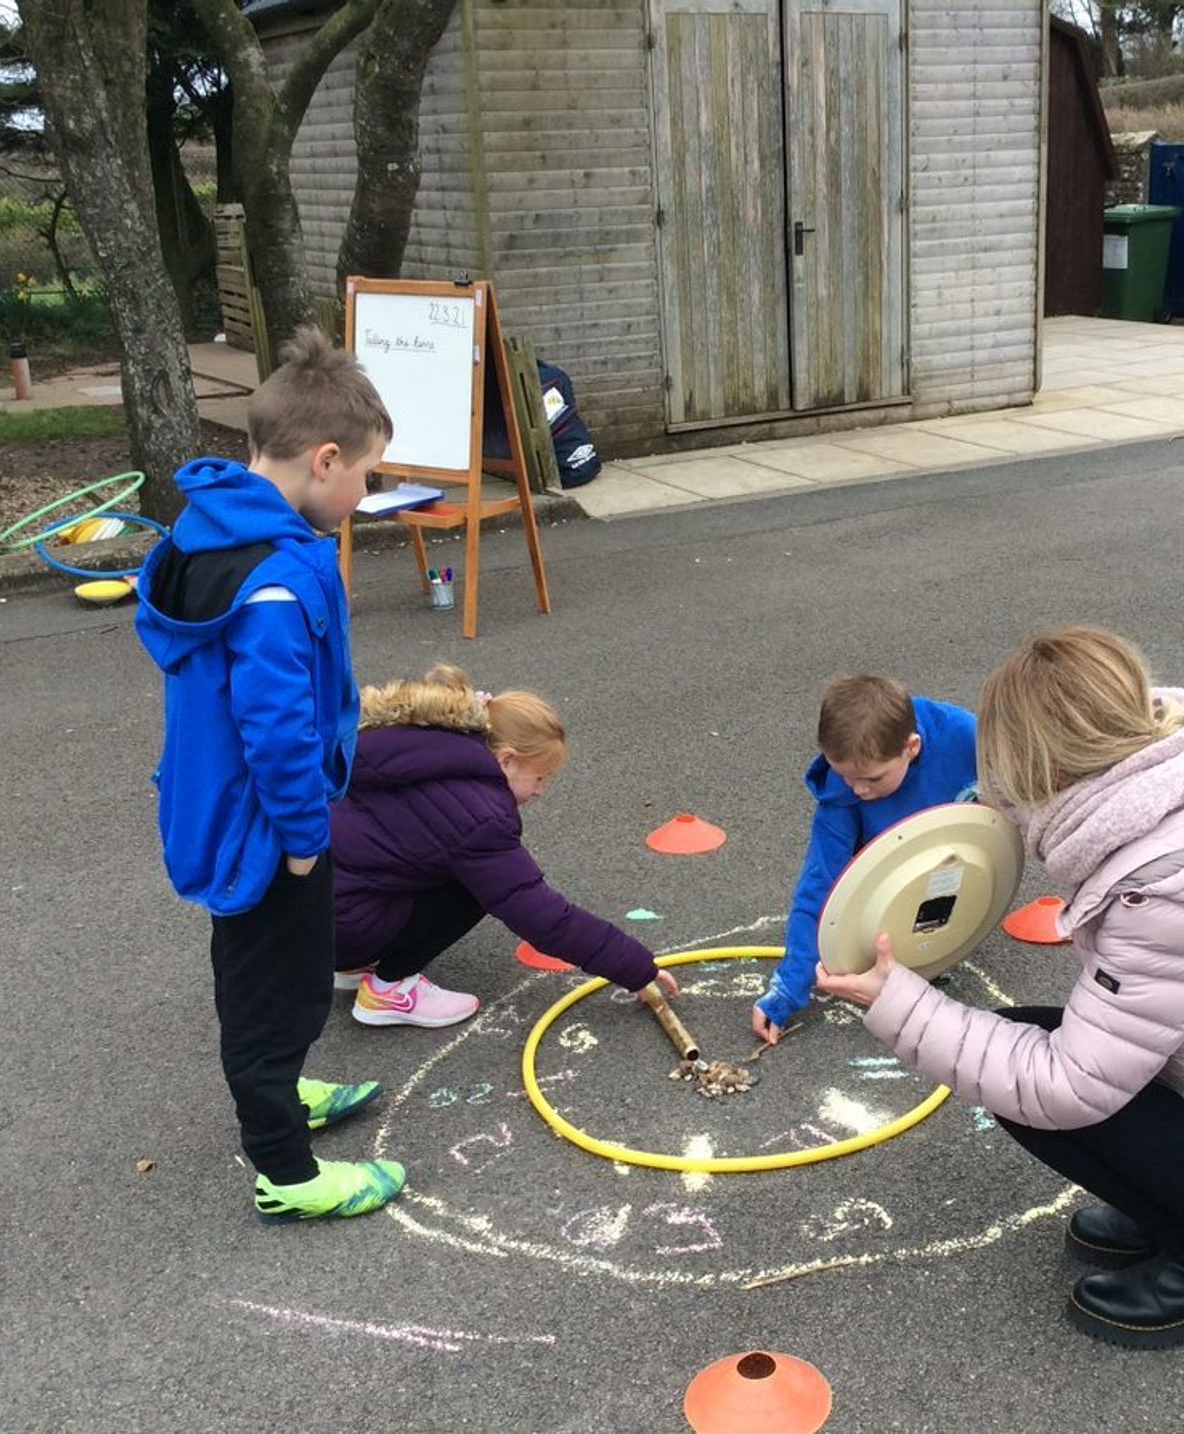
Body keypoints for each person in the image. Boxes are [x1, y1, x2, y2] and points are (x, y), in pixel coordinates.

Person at [817, 628, 1184, 1349]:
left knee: (1024, 1079)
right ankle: (1176, 1211)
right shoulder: (1177, 788)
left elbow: (1066, 1087)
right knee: (1018, 1033)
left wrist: (896, 1000)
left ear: (1048, 765)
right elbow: (1007, 818)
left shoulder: (1163, 900)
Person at [135, 326, 405, 1225]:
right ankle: (285, 1173)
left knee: (283, 972)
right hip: (265, 825)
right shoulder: (278, 585)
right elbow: (278, 735)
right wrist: (301, 843)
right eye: (363, 475)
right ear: (324, 460)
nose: (364, 494)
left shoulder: (215, 522)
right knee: (268, 988)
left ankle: (285, 1090)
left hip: (229, 810)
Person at [331, 664, 680, 1019]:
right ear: (507, 759)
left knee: (438, 866)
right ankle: (389, 990)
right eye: (540, 777)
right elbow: (542, 917)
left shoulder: (415, 747)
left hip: (304, 914)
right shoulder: (477, 816)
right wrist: (635, 968)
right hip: (338, 926)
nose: (540, 791)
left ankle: (352, 964)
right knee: (477, 887)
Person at [753, 676, 977, 1044]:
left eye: (871, 778)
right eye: (844, 775)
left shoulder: (966, 737)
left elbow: (1024, 779)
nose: (858, 788)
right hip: (885, 865)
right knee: (871, 928)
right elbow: (819, 887)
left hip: (955, 851)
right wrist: (786, 991)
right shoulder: (843, 798)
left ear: (912, 747)